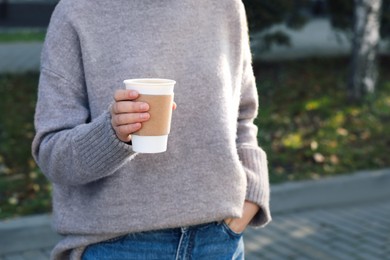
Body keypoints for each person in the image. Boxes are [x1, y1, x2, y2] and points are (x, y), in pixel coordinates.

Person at [32, 0, 272, 259]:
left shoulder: (224, 6)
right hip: (118, 246)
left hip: (219, 242)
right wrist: (112, 133)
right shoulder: (76, 11)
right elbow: (53, 153)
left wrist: (252, 198)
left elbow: (243, 117)